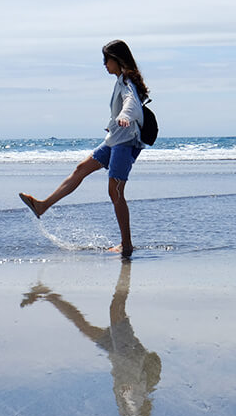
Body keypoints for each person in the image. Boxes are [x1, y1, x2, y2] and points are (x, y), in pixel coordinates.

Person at [20, 259, 161, 416]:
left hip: (119, 355)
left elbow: (141, 402)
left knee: (84, 327)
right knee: (116, 309)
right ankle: (125, 269)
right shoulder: (132, 413)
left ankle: (47, 293)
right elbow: (139, 402)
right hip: (126, 354)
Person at [19, 39, 149, 257]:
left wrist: (125, 116)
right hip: (114, 140)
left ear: (117, 59)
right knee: (81, 169)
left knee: (115, 192)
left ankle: (126, 245)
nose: (104, 64)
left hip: (125, 143)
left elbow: (131, 103)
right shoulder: (120, 80)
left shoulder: (126, 80)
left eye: (106, 59)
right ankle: (42, 206)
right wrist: (113, 124)